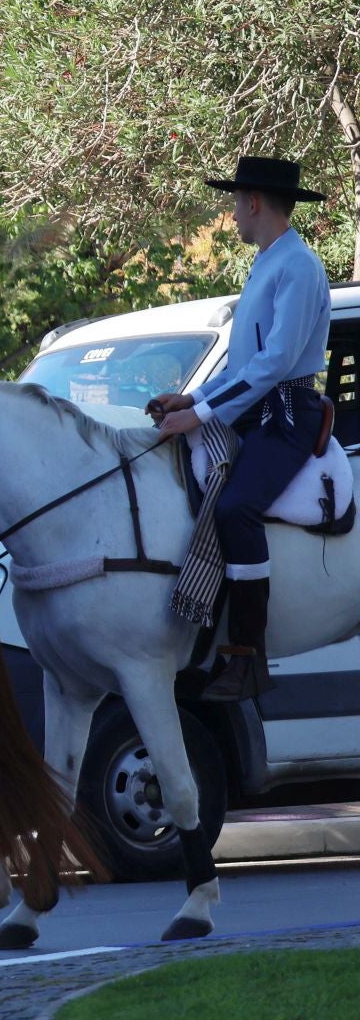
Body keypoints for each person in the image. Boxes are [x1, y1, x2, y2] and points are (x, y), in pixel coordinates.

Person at [151, 156, 331, 701]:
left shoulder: (297, 266)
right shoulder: (268, 264)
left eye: (234, 203)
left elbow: (274, 365)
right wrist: (191, 396)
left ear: (254, 202)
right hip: (257, 409)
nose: (231, 215)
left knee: (234, 509)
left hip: (287, 416)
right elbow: (240, 363)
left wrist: (199, 415)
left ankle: (248, 657)